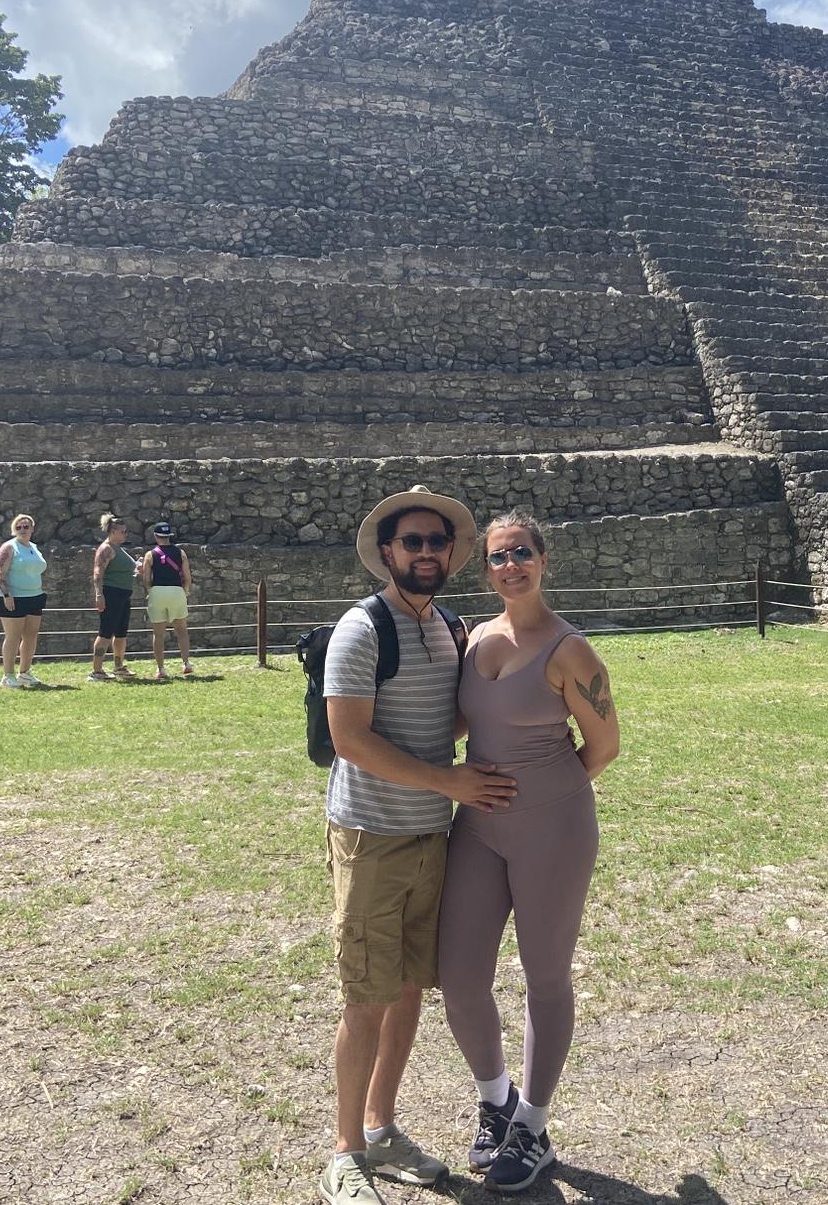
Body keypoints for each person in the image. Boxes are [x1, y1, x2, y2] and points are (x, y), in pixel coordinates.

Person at [318, 485, 518, 1205]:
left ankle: (380, 1127)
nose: (427, 553)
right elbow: (350, 738)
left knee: (406, 991)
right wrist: (447, 780)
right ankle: (343, 1153)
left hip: (432, 834)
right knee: (364, 998)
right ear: (388, 553)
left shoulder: (448, 627)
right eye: (413, 543)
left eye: (438, 542)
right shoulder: (362, 630)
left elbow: (448, 723)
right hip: (373, 836)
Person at [438, 510, 620, 1194]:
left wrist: (546, 796)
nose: (508, 565)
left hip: (553, 826)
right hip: (477, 826)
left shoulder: (569, 649)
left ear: (543, 560)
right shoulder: (474, 637)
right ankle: (496, 1100)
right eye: (495, 557)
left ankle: (535, 1128)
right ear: (484, 569)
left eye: (520, 553)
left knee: (546, 977)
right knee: (459, 977)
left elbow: (604, 746)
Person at [0, 513, 47, 688]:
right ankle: (8, 675)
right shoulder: (9, 547)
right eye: (19, 527)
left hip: (34, 596)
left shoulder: (34, 547)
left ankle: (25, 673)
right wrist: (7, 595)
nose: (22, 530)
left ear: (32, 528)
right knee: (13, 636)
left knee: (31, 636)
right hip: (12, 597)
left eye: (26, 526)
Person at [141, 521, 193, 681]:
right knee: (182, 631)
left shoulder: (150, 554)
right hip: (176, 590)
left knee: (159, 633)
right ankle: (186, 663)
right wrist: (185, 590)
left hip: (158, 591)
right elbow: (187, 576)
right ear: (169, 536)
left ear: (156, 536)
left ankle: (161, 669)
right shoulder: (181, 553)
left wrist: (150, 591)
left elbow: (146, 578)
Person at [89, 512, 138, 681]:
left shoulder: (119, 549)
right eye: (123, 531)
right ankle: (97, 670)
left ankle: (119, 666)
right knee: (105, 633)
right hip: (112, 594)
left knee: (121, 633)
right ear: (113, 531)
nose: (126, 534)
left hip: (124, 596)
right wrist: (99, 595)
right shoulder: (106, 549)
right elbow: (98, 573)